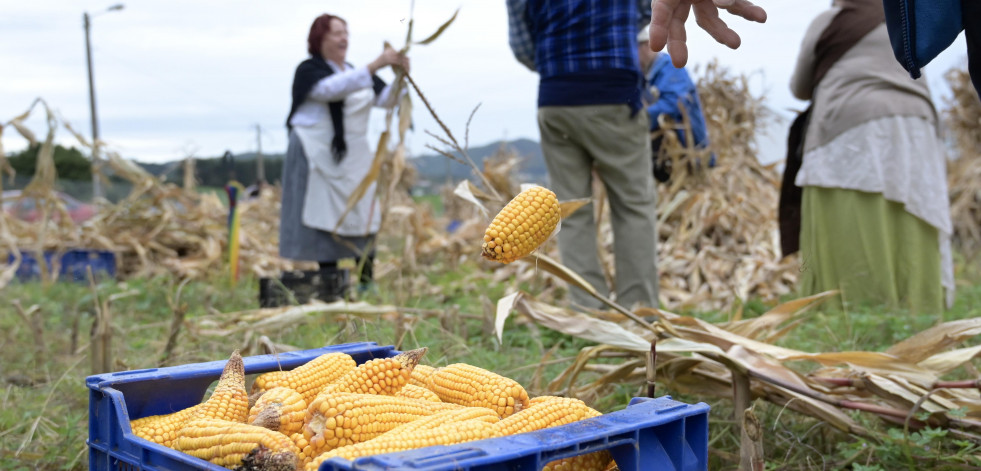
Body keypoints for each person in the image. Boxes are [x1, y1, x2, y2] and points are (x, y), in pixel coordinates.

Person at [789, 0, 954, 313]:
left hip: (848, 128)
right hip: (917, 128)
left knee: (851, 223)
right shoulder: (905, 22)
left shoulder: (829, 21)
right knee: (914, 215)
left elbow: (799, 87)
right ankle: (918, 310)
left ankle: (850, 311)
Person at [506, 0, 660, 310]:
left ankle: (588, 310)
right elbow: (648, 11)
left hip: (557, 96)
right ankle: (639, 310)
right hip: (615, 94)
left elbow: (523, 47)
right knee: (633, 205)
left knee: (570, 210)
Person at [280, 13, 409, 300]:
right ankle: (330, 284)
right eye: (336, 33)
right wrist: (376, 64)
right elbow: (330, 89)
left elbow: (386, 99)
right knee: (324, 216)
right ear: (319, 39)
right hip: (320, 156)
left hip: (356, 156)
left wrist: (401, 78)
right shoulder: (309, 70)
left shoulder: (354, 71)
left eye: (346, 33)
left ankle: (366, 279)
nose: (343, 39)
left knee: (363, 213)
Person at [647, 0, 980, 96]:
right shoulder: (894, 29)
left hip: (843, 143)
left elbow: (800, 87)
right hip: (920, 137)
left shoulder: (828, 21)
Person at [636, 25, 713, 183]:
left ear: (646, 46)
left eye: (633, 49)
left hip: (687, 152)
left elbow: (673, 104)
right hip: (665, 155)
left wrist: (637, 119)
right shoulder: (647, 74)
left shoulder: (671, 68)